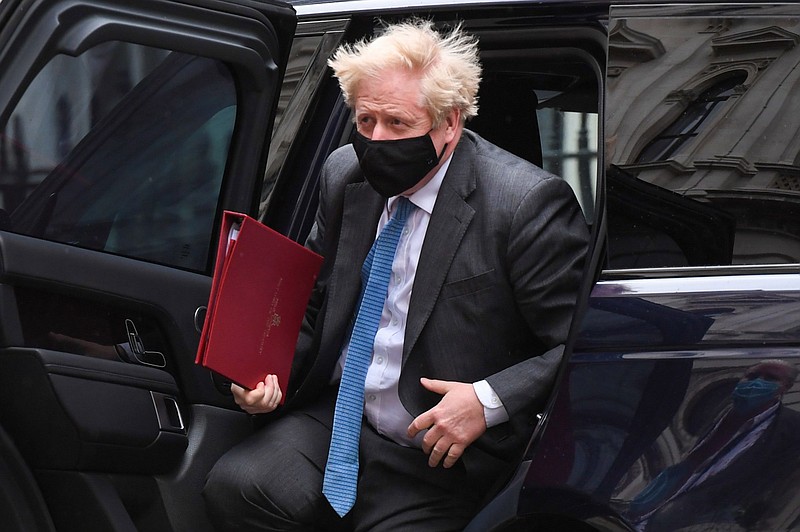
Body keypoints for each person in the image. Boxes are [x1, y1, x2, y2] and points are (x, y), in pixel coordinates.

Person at [203, 19, 589, 531]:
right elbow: (313, 301)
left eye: (398, 124)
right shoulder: (345, 174)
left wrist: (487, 400)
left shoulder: (523, 205)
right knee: (237, 487)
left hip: (436, 452)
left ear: (449, 123)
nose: (377, 141)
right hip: (341, 418)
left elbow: (584, 342)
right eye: (365, 122)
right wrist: (264, 375)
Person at [629, 359, 800, 530]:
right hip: (667, 496)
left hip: (711, 516)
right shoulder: (721, 409)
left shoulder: (791, 427)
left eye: (770, 378)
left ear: (786, 386)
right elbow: (695, 457)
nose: (757, 382)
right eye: (752, 376)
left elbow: (776, 485)